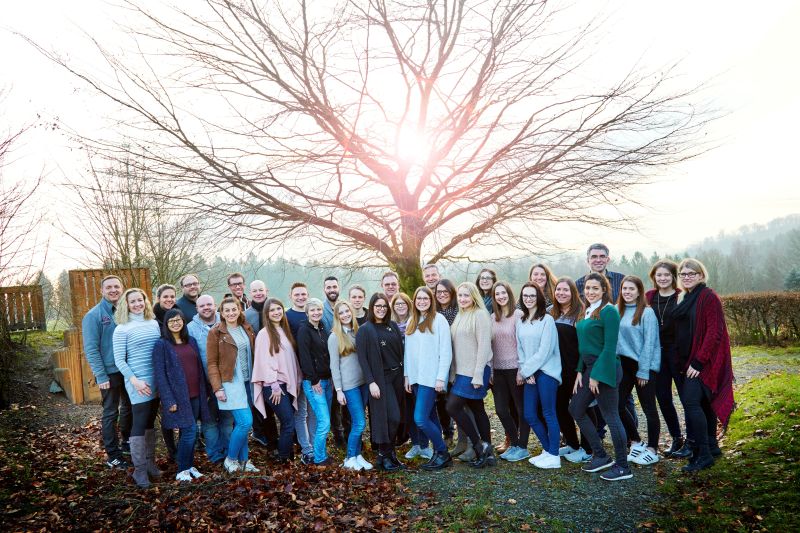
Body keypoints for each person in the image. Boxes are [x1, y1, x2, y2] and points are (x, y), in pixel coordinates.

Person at [672, 258, 734, 472]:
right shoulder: (687, 297)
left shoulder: (708, 297)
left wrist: (698, 362)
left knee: (691, 404)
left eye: (691, 273)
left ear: (701, 275)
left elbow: (714, 332)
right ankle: (713, 447)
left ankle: (703, 454)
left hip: (703, 363)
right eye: (683, 274)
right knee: (704, 404)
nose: (687, 277)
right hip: (689, 360)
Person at [569, 273, 631, 481]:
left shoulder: (609, 311)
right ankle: (601, 456)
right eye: (587, 288)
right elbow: (583, 347)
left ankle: (623, 466)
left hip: (606, 368)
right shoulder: (587, 311)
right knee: (576, 408)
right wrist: (580, 371)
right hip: (589, 368)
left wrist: (596, 375)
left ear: (604, 290)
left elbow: (609, 347)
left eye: (595, 288)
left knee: (610, 416)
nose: (590, 292)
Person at [152, 309, 210, 482]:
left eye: (178, 320)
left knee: (189, 432)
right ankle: (182, 469)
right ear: (166, 325)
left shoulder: (190, 341)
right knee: (190, 430)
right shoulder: (161, 345)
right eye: (171, 321)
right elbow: (160, 375)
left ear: (183, 322)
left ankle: (189, 465)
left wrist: (204, 391)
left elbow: (199, 367)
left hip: (195, 393)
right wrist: (168, 399)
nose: (175, 323)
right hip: (178, 397)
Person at [112, 288, 162, 488]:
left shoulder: (153, 323)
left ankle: (150, 463)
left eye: (140, 300)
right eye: (132, 301)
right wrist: (134, 381)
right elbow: (119, 360)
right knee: (139, 422)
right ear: (126, 304)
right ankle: (139, 471)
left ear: (145, 301)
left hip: (155, 379)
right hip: (138, 382)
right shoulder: (122, 328)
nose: (137, 304)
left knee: (151, 421)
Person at [82, 275, 131, 469]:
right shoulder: (94, 316)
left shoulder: (127, 311)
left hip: (128, 370)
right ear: (102, 291)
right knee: (111, 412)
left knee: (130, 407)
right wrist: (101, 375)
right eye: (109, 287)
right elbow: (91, 348)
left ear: (122, 288)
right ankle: (113, 455)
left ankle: (127, 442)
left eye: (116, 287)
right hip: (109, 372)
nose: (113, 290)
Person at [206, 296, 259, 474]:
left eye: (234, 309)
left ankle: (244, 461)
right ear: (221, 312)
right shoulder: (216, 332)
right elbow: (212, 363)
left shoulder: (246, 328)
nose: (231, 313)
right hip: (230, 383)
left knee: (240, 424)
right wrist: (217, 387)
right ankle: (231, 459)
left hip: (248, 381)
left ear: (239, 310)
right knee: (245, 422)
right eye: (227, 310)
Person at [446, 282, 495, 468]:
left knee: (452, 407)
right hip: (461, 372)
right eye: (460, 295)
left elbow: (484, 346)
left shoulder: (480, 315)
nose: (463, 299)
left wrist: (477, 374)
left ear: (474, 296)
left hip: (474, 372)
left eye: (466, 295)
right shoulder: (461, 314)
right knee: (478, 409)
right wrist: (453, 373)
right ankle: (488, 453)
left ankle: (479, 445)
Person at [404, 286, 453, 470]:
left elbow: (446, 351)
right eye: (419, 299)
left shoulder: (439, 320)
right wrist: (407, 375)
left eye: (426, 298)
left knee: (420, 418)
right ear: (414, 301)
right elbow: (408, 352)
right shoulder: (412, 320)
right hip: (416, 378)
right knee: (431, 417)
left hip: (431, 378)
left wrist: (441, 377)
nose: (422, 301)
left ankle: (442, 451)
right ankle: (437, 453)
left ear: (431, 300)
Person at [357, 293, 406, 471]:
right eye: (378, 306)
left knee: (398, 417)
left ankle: (390, 454)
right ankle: (383, 455)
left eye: (384, 306)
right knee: (389, 417)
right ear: (371, 307)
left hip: (397, 377)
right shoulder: (365, 329)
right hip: (380, 379)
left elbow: (401, 352)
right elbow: (362, 358)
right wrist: (371, 382)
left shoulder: (392, 326)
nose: (381, 309)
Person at [646, 259, 691, 458]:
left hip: (678, 353)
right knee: (663, 397)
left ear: (674, 276)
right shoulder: (649, 297)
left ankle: (693, 440)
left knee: (686, 397)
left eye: (666, 275)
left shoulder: (682, 296)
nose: (662, 278)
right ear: (654, 277)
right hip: (657, 353)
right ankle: (676, 437)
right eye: (659, 275)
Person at [616, 275, 662, 466]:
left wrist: (643, 371)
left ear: (639, 291)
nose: (627, 292)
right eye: (624, 289)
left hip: (643, 365)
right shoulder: (617, 310)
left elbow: (650, 343)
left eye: (631, 289)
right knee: (617, 405)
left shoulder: (647, 313)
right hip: (624, 365)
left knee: (649, 408)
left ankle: (653, 449)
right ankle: (636, 441)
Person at [517, 282, 562, 469]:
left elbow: (545, 350)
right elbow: (520, 349)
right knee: (529, 414)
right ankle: (547, 450)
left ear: (539, 298)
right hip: (530, 374)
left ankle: (555, 455)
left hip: (547, 372)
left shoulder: (547, 320)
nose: (528, 299)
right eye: (525, 296)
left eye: (532, 296)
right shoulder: (522, 321)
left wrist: (528, 370)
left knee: (548, 413)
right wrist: (526, 372)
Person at [252, 298, 301, 463]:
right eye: (272, 310)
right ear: (267, 314)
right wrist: (273, 385)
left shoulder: (284, 330)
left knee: (290, 422)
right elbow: (263, 361)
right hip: (274, 386)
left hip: (286, 384)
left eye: (279, 308)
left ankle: (288, 455)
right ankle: (283, 458)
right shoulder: (264, 334)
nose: (276, 312)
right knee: (288, 423)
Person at [550, 278, 593, 463]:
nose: (561, 293)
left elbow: (586, 345)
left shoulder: (581, 313)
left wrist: (580, 370)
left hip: (577, 370)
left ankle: (589, 448)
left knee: (582, 409)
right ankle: (573, 444)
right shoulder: (551, 312)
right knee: (560, 407)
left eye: (565, 290)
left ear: (573, 292)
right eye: (558, 289)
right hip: (557, 370)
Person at [187, 294, 232, 464]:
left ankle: (230, 452)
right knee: (209, 421)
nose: (206, 308)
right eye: (202, 306)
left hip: (228, 381)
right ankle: (215, 455)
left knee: (227, 420)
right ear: (197, 309)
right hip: (205, 383)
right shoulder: (191, 328)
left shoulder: (227, 320)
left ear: (215, 305)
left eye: (209, 304)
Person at [328, 300, 372, 471]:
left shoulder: (357, 331)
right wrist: (339, 390)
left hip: (363, 384)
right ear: (337, 317)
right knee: (360, 422)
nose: (345, 315)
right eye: (341, 313)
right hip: (349, 386)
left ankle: (357, 454)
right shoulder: (334, 336)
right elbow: (334, 365)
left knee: (358, 422)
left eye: (347, 311)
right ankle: (348, 457)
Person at [490, 281, 530, 463]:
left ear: (509, 294)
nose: (501, 296)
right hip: (498, 370)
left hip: (515, 369)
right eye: (497, 294)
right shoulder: (492, 317)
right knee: (500, 409)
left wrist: (522, 370)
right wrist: (490, 368)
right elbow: (491, 346)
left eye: (503, 293)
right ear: (494, 297)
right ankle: (514, 443)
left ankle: (522, 447)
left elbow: (522, 344)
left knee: (521, 410)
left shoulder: (518, 315)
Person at [243, 279, 280, 451]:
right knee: (263, 404)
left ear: (267, 290)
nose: (258, 293)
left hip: (278, 363)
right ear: (250, 293)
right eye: (255, 291)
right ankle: (270, 439)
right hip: (258, 364)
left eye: (261, 290)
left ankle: (289, 437)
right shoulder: (246, 315)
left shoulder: (275, 310)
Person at [297, 298, 334, 465]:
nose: (316, 313)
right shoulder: (304, 330)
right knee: (324, 421)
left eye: (319, 309)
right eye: (312, 310)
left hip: (327, 381)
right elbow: (304, 357)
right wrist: (314, 380)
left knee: (322, 420)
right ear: (307, 313)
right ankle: (319, 458)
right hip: (314, 383)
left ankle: (321, 453)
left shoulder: (323, 328)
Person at [285, 282, 316, 464]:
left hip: (315, 373)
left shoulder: (313, 313)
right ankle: (305, 448)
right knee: (301, 411)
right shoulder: (287, 317)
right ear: (291, 296)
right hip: (296, 371)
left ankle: (313, 445)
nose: (300, 297)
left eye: (303, 294)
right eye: (297, 294)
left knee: (314, 412)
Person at [391, 292, 425, 457]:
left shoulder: (416, 322)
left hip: (417, 371)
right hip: (399, 374)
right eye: (397, 304)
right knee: (408, 409)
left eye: (403, 303)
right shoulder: (390, 325)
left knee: (422, 409)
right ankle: (415, 443)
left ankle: (425, 444)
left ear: (409, 304)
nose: (400, 306)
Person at [434, 278, 458, 448]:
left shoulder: (458, 311)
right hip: (437, 360)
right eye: (439, 292)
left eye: (445, 292)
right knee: (441, 401)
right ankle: (447, 433)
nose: (442, 295)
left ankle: (467, 439)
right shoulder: (432, 311)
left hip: (456, 360)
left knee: (455, 401)